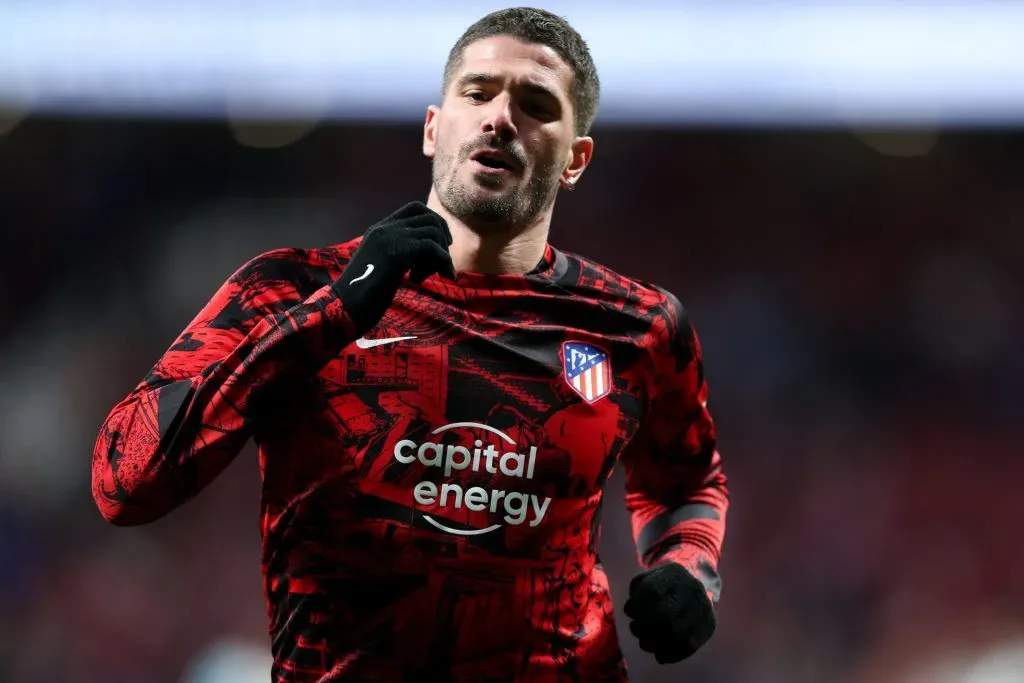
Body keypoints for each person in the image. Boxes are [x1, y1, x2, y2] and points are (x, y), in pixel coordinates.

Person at [91, 7, 729, 681]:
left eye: (536, 104)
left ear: (575, 160)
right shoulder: (291, 288)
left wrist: (690, 568)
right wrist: (329, 316)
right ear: (434, 127)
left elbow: (686, 479)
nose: (501, 117)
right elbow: (124, 484)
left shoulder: (638, 324)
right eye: (478, 92)